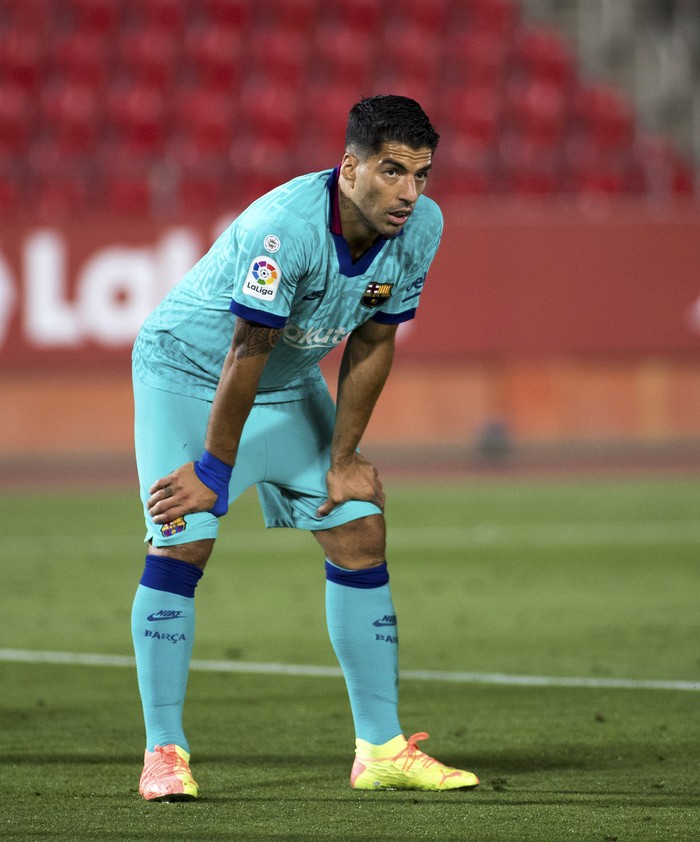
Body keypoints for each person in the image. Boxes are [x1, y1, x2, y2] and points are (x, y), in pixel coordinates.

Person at [131, 94, 480, 802]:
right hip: (187, 373)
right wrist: (211, 472)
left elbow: (374, 340)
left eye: (422, 174)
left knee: (360, 529)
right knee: (182, 538)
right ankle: (163, 752)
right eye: (392, 171)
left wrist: (346, 457)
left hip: (286, 382)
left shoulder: (422, 229)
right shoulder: (282, 230)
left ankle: (380, 749)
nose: (410, 192)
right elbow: (244, 351)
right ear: (350, 167)